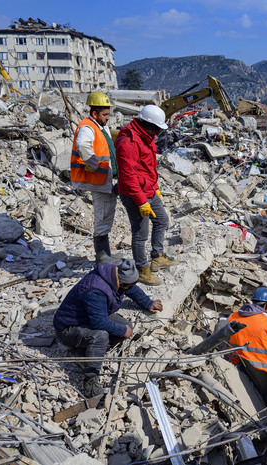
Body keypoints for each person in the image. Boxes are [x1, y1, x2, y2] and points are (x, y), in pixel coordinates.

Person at [53, 259, 163, 397]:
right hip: (68, 328)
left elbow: (131, 288)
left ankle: (89, 350)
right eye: (128, 286)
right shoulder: (95, 291)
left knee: (126, 326)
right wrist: (123, 331)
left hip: (87, 317)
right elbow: (99, 322)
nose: (130, 287)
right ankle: (90, 381)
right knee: (101, 336)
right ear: (122, 284)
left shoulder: (115, 274)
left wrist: (148, 303)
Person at [115, 104, 178, 286]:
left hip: (148, 190)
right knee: (140, 233)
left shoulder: (146, 137)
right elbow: (129, 178)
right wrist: (142, 202)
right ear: (148, 126)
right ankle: (142, 270)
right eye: (157, 130)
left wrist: (155, 187)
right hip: (134, 194)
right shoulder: (128, 143)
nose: (158, 134)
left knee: (162, 220)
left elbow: (148, 168)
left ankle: (157, 257)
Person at [71, 92, 120, 264]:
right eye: (105, 115)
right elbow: (82, 145)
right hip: (99, 181)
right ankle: (103, 258)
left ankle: (105, 255)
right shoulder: (87, 127)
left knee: (107, 216)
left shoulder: (100, 126)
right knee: (102, 217)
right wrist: (93, 164)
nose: (108, 118)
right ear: (94, 114)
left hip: (106, 180)